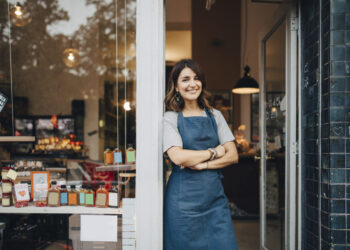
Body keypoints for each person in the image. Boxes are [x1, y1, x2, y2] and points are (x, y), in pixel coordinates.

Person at [163, 59, 239, 250]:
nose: (192, 84)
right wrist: (215, 151)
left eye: (196, 79)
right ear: (176, 86)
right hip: (182, 204)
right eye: (185, 79)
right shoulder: (170, 118)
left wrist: (203, 164)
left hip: (214, 200)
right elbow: (178, 157)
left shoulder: (215, 115)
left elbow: (232, 155)